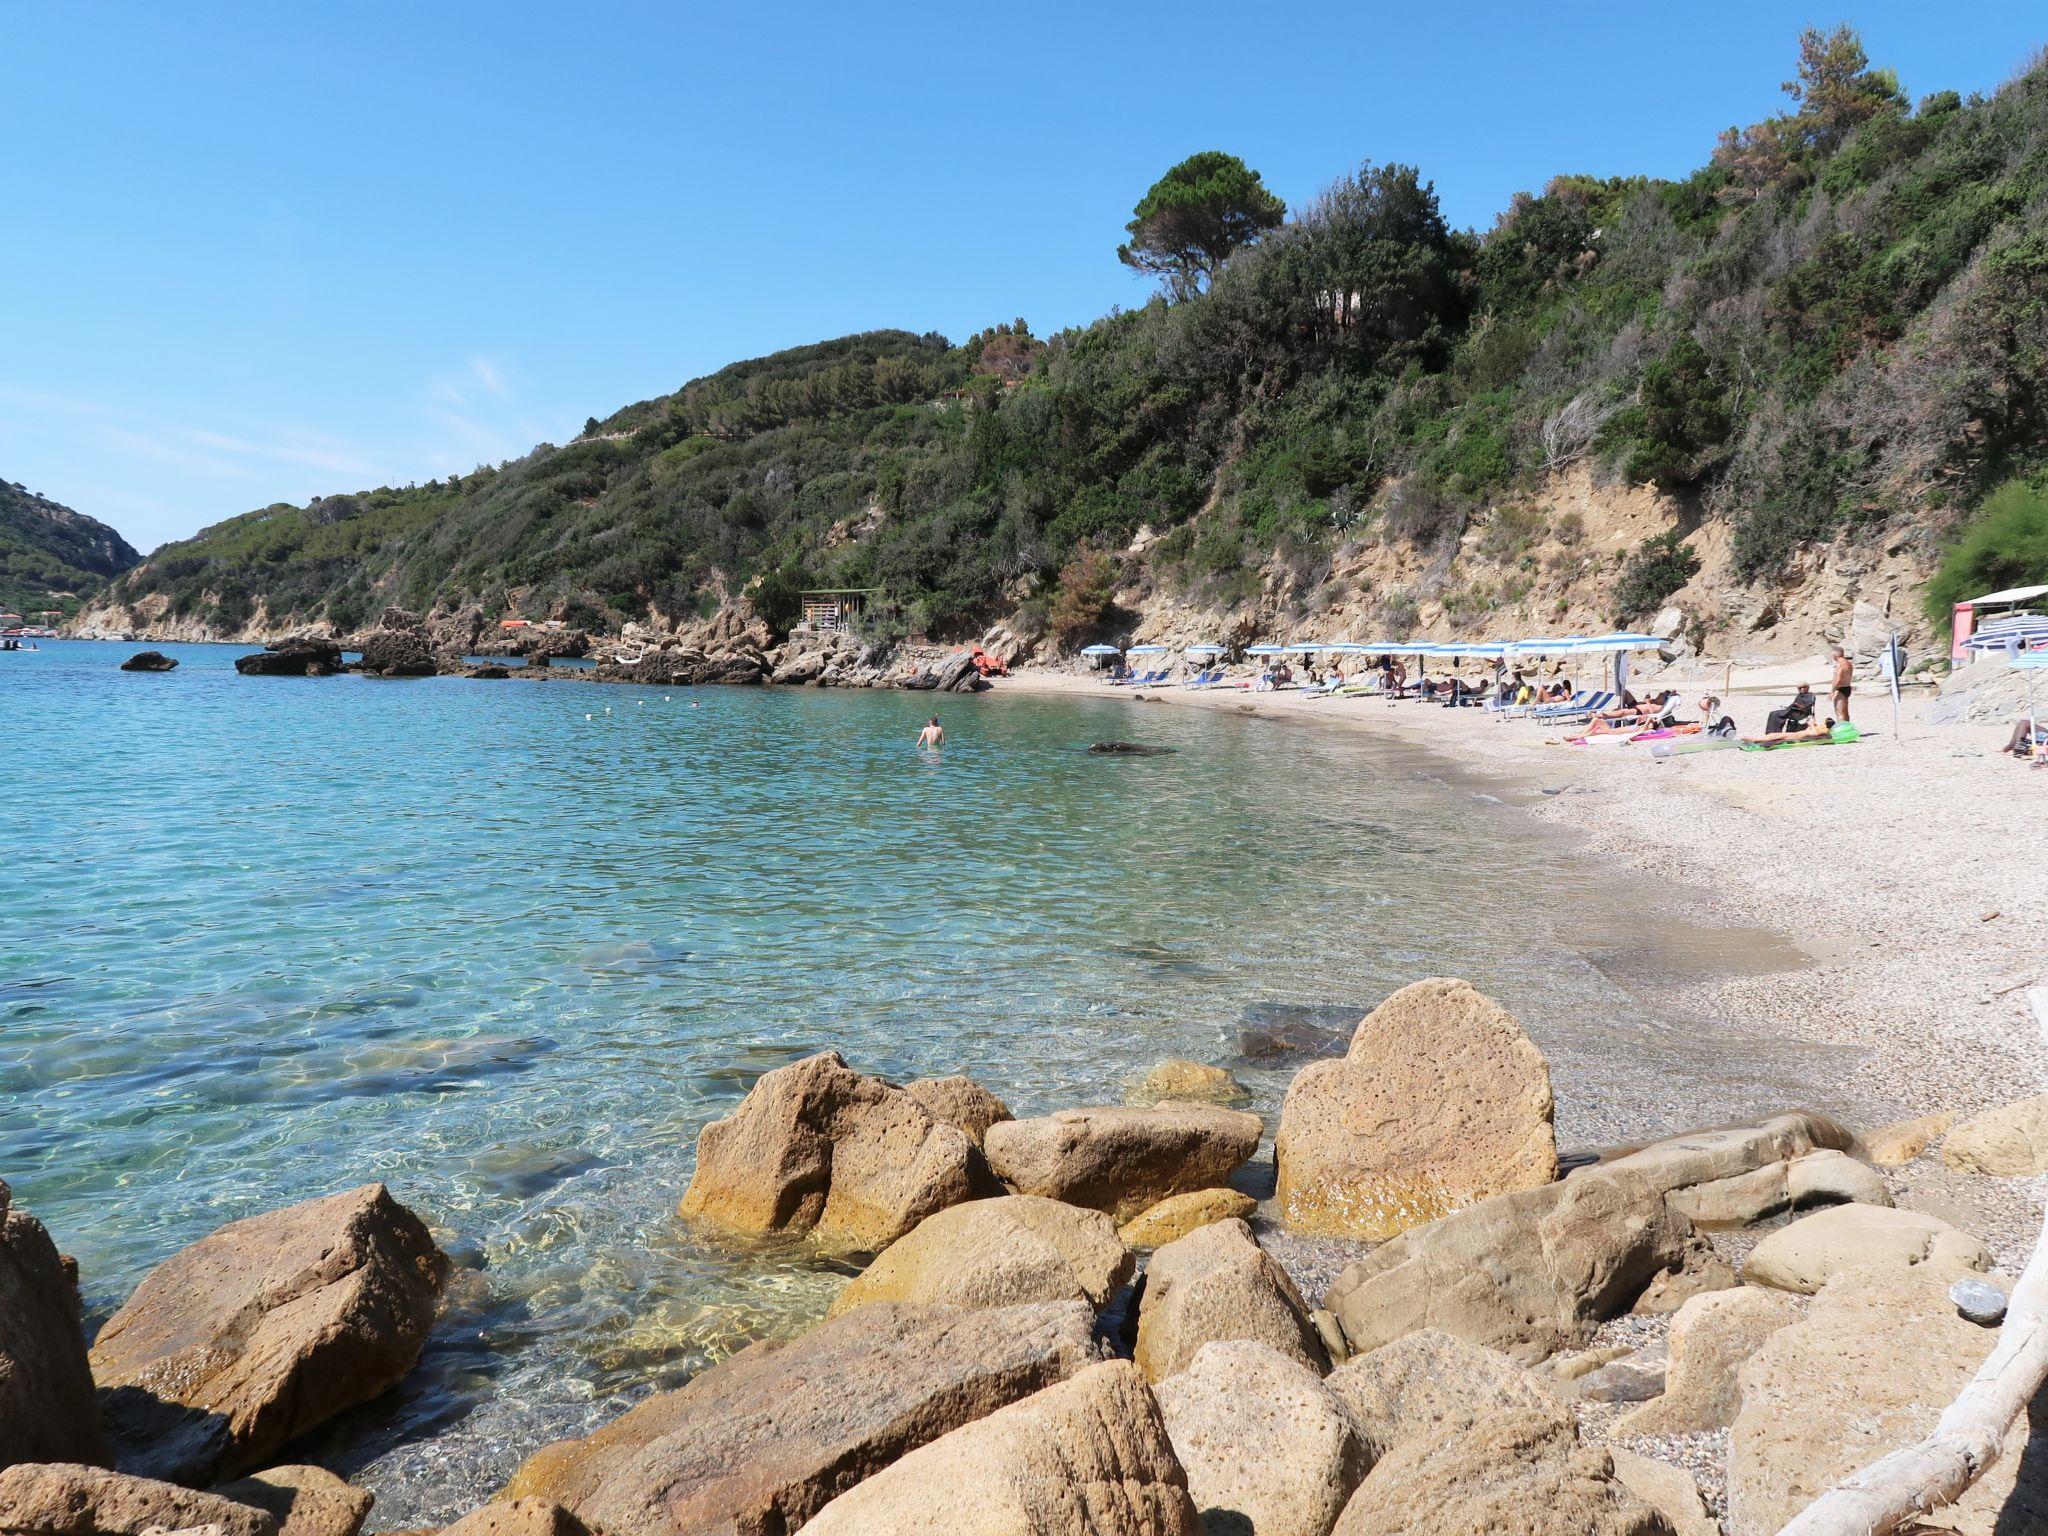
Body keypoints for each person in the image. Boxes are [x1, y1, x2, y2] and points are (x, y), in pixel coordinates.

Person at [1744, 716, 1835, 746]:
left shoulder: (1825, 730)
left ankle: (1755, 739)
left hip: (1799, 737)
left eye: (1824, 722)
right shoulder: (1822, 728)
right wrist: (1812, 724)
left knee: (1776, 736)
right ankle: (1757, 739)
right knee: (1774, 734)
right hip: (1799, 734)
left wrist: (1811, 724)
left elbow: (1815, 733)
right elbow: (1812, 732)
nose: (1822, 722)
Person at [1830, 647, 1854, 723]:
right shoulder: (1848, 663)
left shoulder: (1840, 665)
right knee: (1845, 712)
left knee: (1839, 712)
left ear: (1835, 654)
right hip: (1847, 687)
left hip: (1840, 689)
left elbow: (1838, 679)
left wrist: (1832, 691)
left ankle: (1841, 732)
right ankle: (1848, 730)